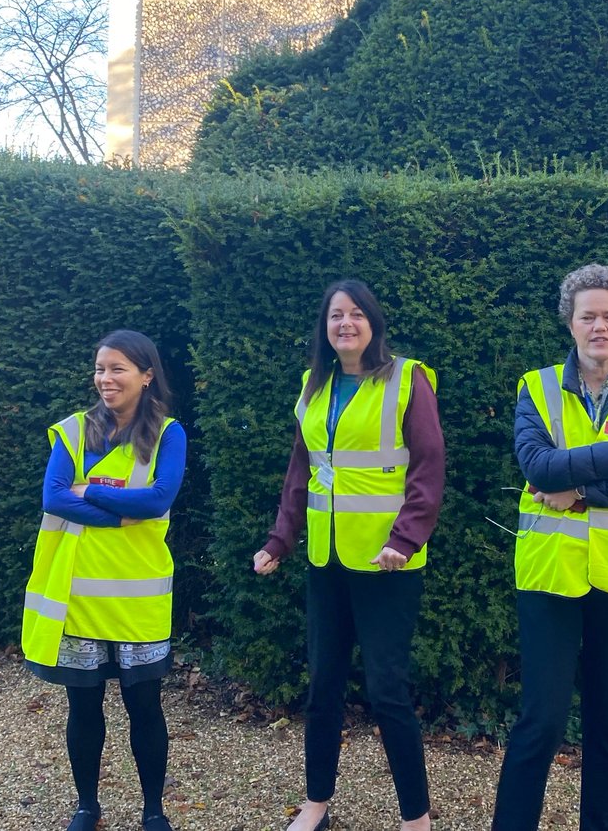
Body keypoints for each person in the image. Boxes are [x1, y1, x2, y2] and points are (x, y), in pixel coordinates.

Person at [491, 264, 608, 831]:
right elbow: (534, 466)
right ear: (570, 324)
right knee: (541, 721)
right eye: (587, 316)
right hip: (550, 575)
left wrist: (575, 490)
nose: (598, 326)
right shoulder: (537, 387)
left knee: (607, 727)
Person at [254, 279, 445, 831]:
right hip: (326, 561)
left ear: (374, 324)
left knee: (388, 691)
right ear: (325, 327)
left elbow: (428, 468)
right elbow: (302, 471)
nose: (346, 323)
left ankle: (415, 817)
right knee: (323, 685)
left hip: (388, 563)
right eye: (336, 315)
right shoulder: (313, 387)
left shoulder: (408, 379)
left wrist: (405, 539)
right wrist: (279, 540)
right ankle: (316, 802)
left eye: (357, 314)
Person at [21, 330, 186, 831]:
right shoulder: (74, 431)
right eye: (100, 368)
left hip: (138, 594)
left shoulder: (167, 433)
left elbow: (158, 500)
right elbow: (53, 498)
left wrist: (88, 489)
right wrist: (117, 512)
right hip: (79, 594)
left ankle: (153, 810)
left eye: (117, 369)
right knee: (84, 707)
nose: (105, 378)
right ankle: (86, 806)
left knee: (144, 707)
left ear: (146, 375)